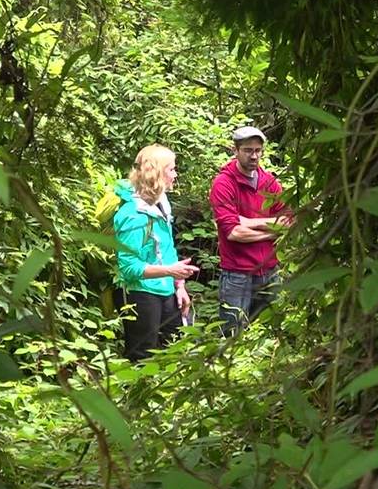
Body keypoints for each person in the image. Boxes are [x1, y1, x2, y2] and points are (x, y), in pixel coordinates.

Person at [113, 144, 199, 361]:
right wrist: (171, 271)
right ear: (158, 173)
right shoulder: (133, 214)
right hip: (140, 293)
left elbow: (167, 249)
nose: (175, 174)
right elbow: (129, 267)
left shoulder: (161, 203)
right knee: (141, 357)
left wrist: (179, 285)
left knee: (178, 345)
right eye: (171, 169)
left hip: (166, 289)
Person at [209, 127, 292, 336]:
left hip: (270, 270)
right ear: (235, 150)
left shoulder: (269, 182)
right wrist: (272, 230)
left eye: (258, 150)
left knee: (270, 333)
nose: (254, 156)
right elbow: (234, 233)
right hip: (237, 273)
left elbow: (289, 221)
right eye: (248, 150)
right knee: (233, 335)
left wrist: (248, 222)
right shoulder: (223, 183)